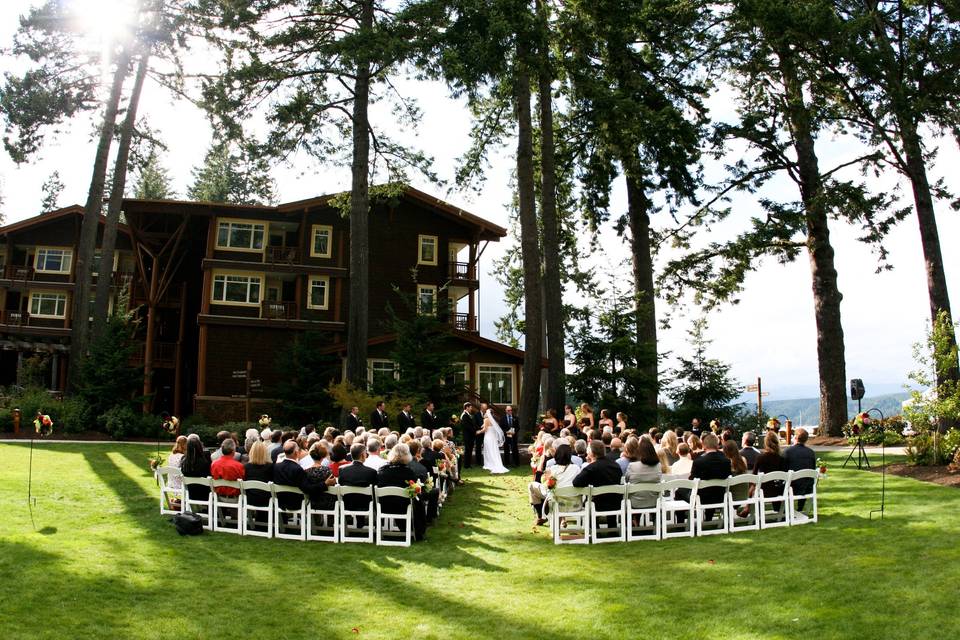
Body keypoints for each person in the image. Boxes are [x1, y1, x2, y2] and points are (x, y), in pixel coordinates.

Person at [572, 440, 624, 532]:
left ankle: (596, 530)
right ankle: (612, 530)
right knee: (609, 496)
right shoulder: (616, 465)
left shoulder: (591, 468)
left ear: (591, 453)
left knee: (591, 501)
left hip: (597, 504)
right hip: (615, 503)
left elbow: (576, 482)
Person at [376, 444, 424, 540]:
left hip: (384, 506)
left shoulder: (382, 470)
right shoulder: (409, 472)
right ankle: (418, 531)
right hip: (403, 506)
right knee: (419, 499)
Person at [527, 443, 580, 525]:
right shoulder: (576, 468)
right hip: (575, 504)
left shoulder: (553, 469)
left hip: (557, 504)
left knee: (532, 486)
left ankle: (540, 515)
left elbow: (547, 487)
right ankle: (543, 515)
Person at [689, 433, 731, 520]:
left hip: (702, 498)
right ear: (717, 445)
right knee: (712, 489)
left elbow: (692, 480)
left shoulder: (698, 462)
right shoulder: (726, 461)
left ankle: (681, 522)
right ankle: (708, 518)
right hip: (721, 496)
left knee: (679, 493)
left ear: (704, 445)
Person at [749, 430, 787, 511]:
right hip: (778, 491)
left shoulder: (760, 457)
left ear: (766, 443)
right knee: (774, 486)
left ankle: (750, 509)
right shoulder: (782, 459)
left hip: (763, 491)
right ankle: (778, 511)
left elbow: (754, 476)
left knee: (754, 487)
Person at [339, 443, 378, 518]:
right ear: (363, 455)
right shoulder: (371, 472)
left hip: (347, 504)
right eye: (365, 453)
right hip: (366, 505)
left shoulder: (342, 469)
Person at [624, 437, 663, 510]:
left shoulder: (632, 466)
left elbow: (626, 481)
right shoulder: (658, 466)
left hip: (635, 503)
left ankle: (634, 520)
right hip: (654, 501)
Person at [784, 428, 817, 512]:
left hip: (792, 487)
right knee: (804, 480)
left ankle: (784, 510)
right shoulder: (811, 453)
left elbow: (783, 469)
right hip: (808, 487)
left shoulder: (788, 452)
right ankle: (800, 508)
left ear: (795, 437)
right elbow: (813, 468)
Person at [274, 440, 308, 510]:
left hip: (280, 502)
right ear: (296, 452)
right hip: (297, 504)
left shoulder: (276, 467)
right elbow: (306, 488)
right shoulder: (298, 469)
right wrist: (324, 484)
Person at [181, 435, 211, 500]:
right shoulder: (205, 462)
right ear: (200, 447)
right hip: (205, 494)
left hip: (190, 494)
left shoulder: (183, 461)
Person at [481, 406, 509, 474]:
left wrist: (478, 432)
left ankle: (489, 463)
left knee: (488, 451)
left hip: (488, 437)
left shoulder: (486, 420)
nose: (485, 414)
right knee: (494, 451)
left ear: (488, 413)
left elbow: (485, 429)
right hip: (493, 439)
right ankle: (496, 463)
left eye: (486, 412)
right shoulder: (494, 420)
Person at [460, 403, 478, 468]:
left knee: (470, 450)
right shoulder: (464, 415)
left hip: (470, 436)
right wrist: (475, 431)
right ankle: (466, 465)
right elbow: (467, 426)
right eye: (470, 407)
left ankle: (468, 464)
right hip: (467, 436)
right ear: (466, 407)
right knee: (467, 450)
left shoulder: (468, 415)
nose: (471, 408)